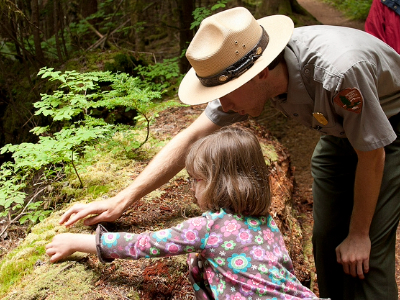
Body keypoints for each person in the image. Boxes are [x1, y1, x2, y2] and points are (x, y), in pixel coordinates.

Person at [56, 7, 400, 300]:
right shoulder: (245, 69)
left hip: (388, 133)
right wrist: (122, 199)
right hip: (335, 131)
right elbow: (193, 136)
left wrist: (358, 235)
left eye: (227, 92)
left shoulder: (338, 72)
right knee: (326, 238)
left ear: (261, 71)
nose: (222, 103)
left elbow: (371, 153)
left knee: (368, 254)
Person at [46, 127, 324, 300]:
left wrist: (75, 242)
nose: (192, 188)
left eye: (196, 179)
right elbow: (284, 273)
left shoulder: (209, 228)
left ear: (220, 182)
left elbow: (143, 245)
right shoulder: (266, 223)